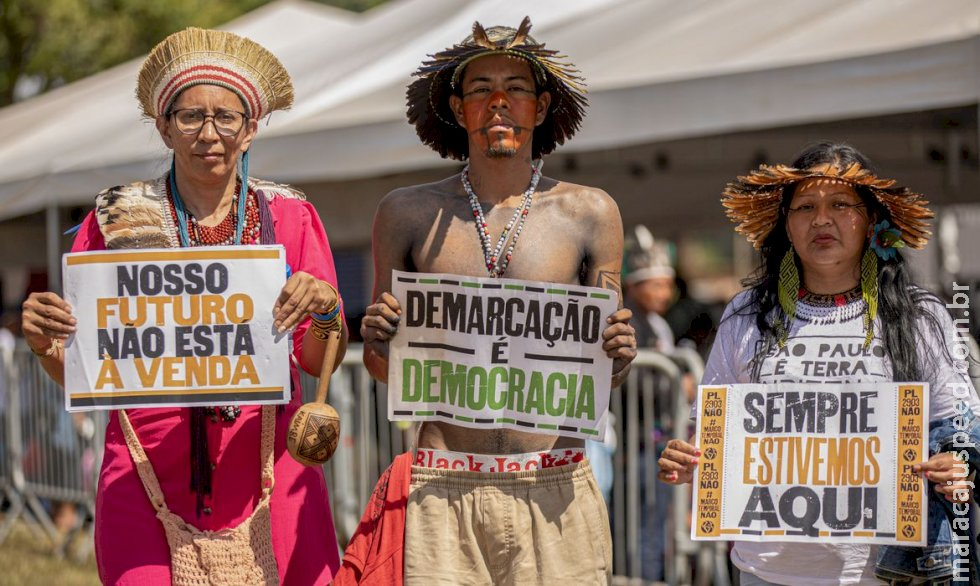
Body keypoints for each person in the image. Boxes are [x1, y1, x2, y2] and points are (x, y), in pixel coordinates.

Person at [21, 28, 346, 584]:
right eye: (191, 116)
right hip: (144, 474)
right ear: (164, 127)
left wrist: (322, 311)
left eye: (227, 116)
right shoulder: (114, 221)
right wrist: (44, 343)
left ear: (251, 129)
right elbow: (85, 369)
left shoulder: (290, 217)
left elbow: (316, 361)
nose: (209, 133)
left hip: (271, 470)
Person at [344, 18, 637, 585]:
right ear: (458, 109)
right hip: (441, 486)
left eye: (516, 88)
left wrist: (619, 353)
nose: (498, 102)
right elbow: (384, 367)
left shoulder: (590, 212)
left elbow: (606, 369)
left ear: (542, 105)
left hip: (554, 483)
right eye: (480, 90)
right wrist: (377, 340)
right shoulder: (405, 213)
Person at [658, 141, 980, 585]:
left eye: (841, 204)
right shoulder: (746, 315)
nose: (822, 219)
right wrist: (688, 455)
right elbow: (712, 431)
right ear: (786, 225)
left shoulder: (919, 315)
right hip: (765, 570)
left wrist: (958, 461)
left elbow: (962, 425)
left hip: (884, 572)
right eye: (805, 206)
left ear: (871, 221)